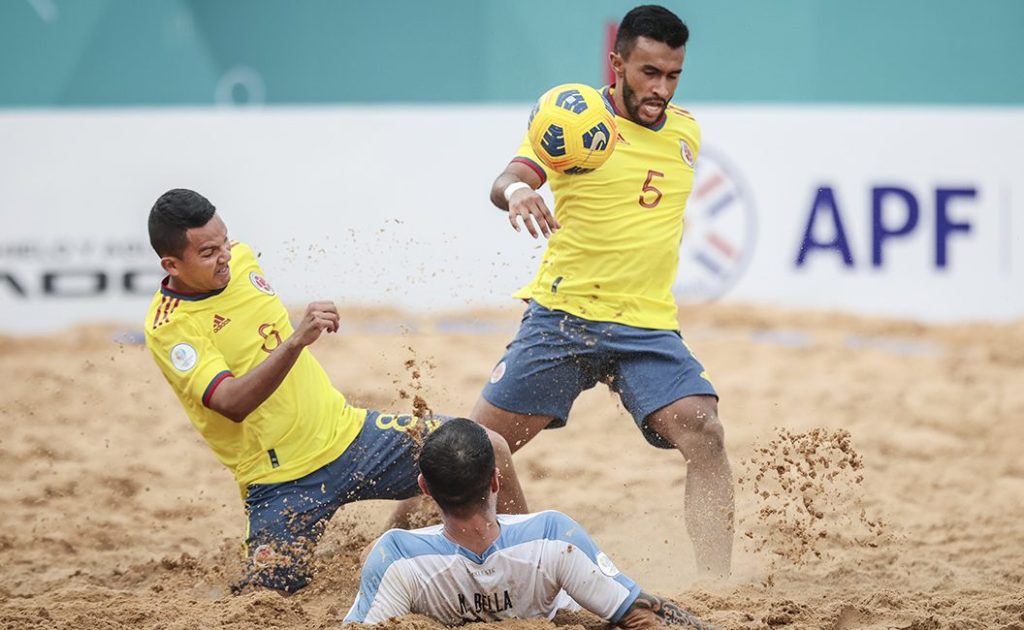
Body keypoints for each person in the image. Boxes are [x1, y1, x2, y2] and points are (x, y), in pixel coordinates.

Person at [143, 188, 527, 593]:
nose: (224, 256)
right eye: (207, 252)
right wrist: (295, 341)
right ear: (172, 264)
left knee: (491, 449)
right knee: (269, 598)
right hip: (282, 481)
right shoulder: (170, 326)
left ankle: (525, 570)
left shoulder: (239, 257)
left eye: (224, 241)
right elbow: (230, 403)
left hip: (352, 436)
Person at [472, 4, 734, 578]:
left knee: (706, 434)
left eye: (673, 75)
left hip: (645, 325)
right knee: (471, 455)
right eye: (648, 72)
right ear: (616, 62)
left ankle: (719, 586)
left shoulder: (686, 130)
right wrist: (517, 192)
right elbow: (510, 176)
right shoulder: (579, 124)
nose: (660, 88)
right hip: (564, 317)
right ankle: (397, 546)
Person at [344, 419, 716, 629]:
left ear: (425, 489)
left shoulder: (395, 555)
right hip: (549, 592)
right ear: (495, 481)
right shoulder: (553, 534)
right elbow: (640, 618)